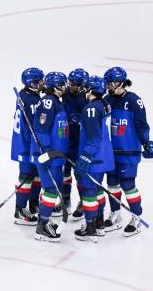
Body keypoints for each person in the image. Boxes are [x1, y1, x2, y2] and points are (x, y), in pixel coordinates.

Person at [103, 67, 153, 237]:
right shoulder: (106, 100)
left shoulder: (134, 101)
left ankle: (136, 217)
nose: (110, 86)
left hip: (128, 152)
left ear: (122, 82)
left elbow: (142, 125)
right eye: (108, 83)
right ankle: (115, 215)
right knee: (112, 184)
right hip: (111, 152)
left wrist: (147, 142)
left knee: (128, 184)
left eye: (113, 82)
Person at [73, 75, 115, 243]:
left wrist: (84, 157)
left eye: (86, 88)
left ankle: (90, 227)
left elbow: (95, 139)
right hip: (104, 158)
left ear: (91, 90)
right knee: (97, 190)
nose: (83, 90)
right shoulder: (104, 105)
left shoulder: (90, 108)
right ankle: (99, 223)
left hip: (94, 158)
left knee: (88, 191)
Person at [31, 71, 69, 242]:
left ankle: (43, 221)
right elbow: (41, 130)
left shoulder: (55, 101)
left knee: (52, 188)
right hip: (48, 155)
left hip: (55, 155)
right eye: (63, 84)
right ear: (55, 87)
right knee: (51, 190)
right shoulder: (47, 103)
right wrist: (45, 153)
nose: (65, 87)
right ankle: (42, 226)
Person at [11, 67, 44, 226]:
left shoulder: (29, 96)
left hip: (27, 143)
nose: (42, 83)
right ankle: (20, 209)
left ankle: (33, 203)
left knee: (36, 175)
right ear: (32, 83)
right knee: (26, 175)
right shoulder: (31, 100)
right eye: (40, 80)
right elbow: (32, 126)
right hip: (26, 145)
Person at [60, 68, 89, 220]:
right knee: (64, 173)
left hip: (80, 143)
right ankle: (65, 201)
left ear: (83, 85)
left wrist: (79, 122)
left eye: (75, 84)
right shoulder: (65, 93)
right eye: (70, 83)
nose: (72, 86)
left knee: (80, 174)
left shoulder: (87, 98)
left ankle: (84, 202)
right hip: (65, 141)